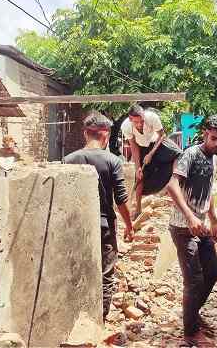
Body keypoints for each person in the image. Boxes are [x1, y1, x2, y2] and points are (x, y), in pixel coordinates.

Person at [165, 114, 217, 346]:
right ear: (206, 133)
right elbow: (172, 185)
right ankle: (190, 332)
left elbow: (209, 190)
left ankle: (192, 314)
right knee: (193, 280)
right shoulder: (191, 155)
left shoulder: (213, 158)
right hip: (183, 227)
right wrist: (190, 216)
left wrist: (213, 220)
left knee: (213, 272)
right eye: (214, 138)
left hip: (201, 227)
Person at [64, 113, 134, 320]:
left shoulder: (69, 160)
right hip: (104, 226)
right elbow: (121, 199)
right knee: (106, 273)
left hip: (76, 226)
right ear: (106, 135)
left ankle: (78, 317)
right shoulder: (112, 160)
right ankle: (99, 319)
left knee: (77, 270)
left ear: (86, 133)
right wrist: (129, 226)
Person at [121, 104, 182, 218]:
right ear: (130, 119)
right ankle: (138, 209)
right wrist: (138, 167)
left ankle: (176, 187)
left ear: (144, 116)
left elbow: (162, 135)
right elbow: (133, 146)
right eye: (136, 122)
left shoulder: (152, 117)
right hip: (141, 147)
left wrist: (151, 153)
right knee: (139, 177)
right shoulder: (126, 126)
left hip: (157, 143)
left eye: (142, 121)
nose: (140, 124)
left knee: (179, 154)